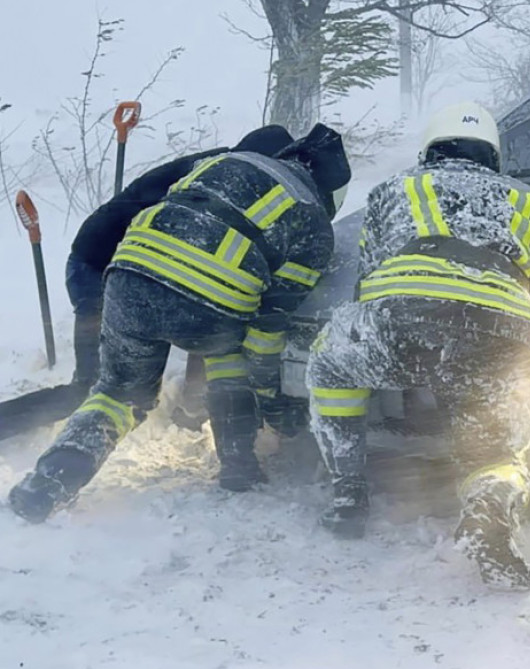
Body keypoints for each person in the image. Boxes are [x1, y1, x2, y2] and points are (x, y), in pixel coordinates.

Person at [8, 123, 351, 523]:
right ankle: (239, 467)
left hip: (127, 279)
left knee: (118, 394)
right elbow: (266, 329)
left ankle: (47, 484)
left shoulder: (221, 162)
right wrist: (272, 401)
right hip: (208, 304)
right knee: (229, 353)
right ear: (330, 192)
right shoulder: (312, 223)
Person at [306, 101, 530, 591]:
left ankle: (349, 491)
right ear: (492, 155)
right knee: (499, 450)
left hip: (406, 317)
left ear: (429, 150)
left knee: (330, 364)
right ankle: (489, 508)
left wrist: (396, 347)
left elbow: (369, 279)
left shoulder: (396, 189)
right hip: (501, 331)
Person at [0, 126, 295, 441]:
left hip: (129, 266)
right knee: (90, 387)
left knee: (211, 310)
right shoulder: (222, 179)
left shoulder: (220, 169)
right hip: (100, 270)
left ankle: (191, 411)